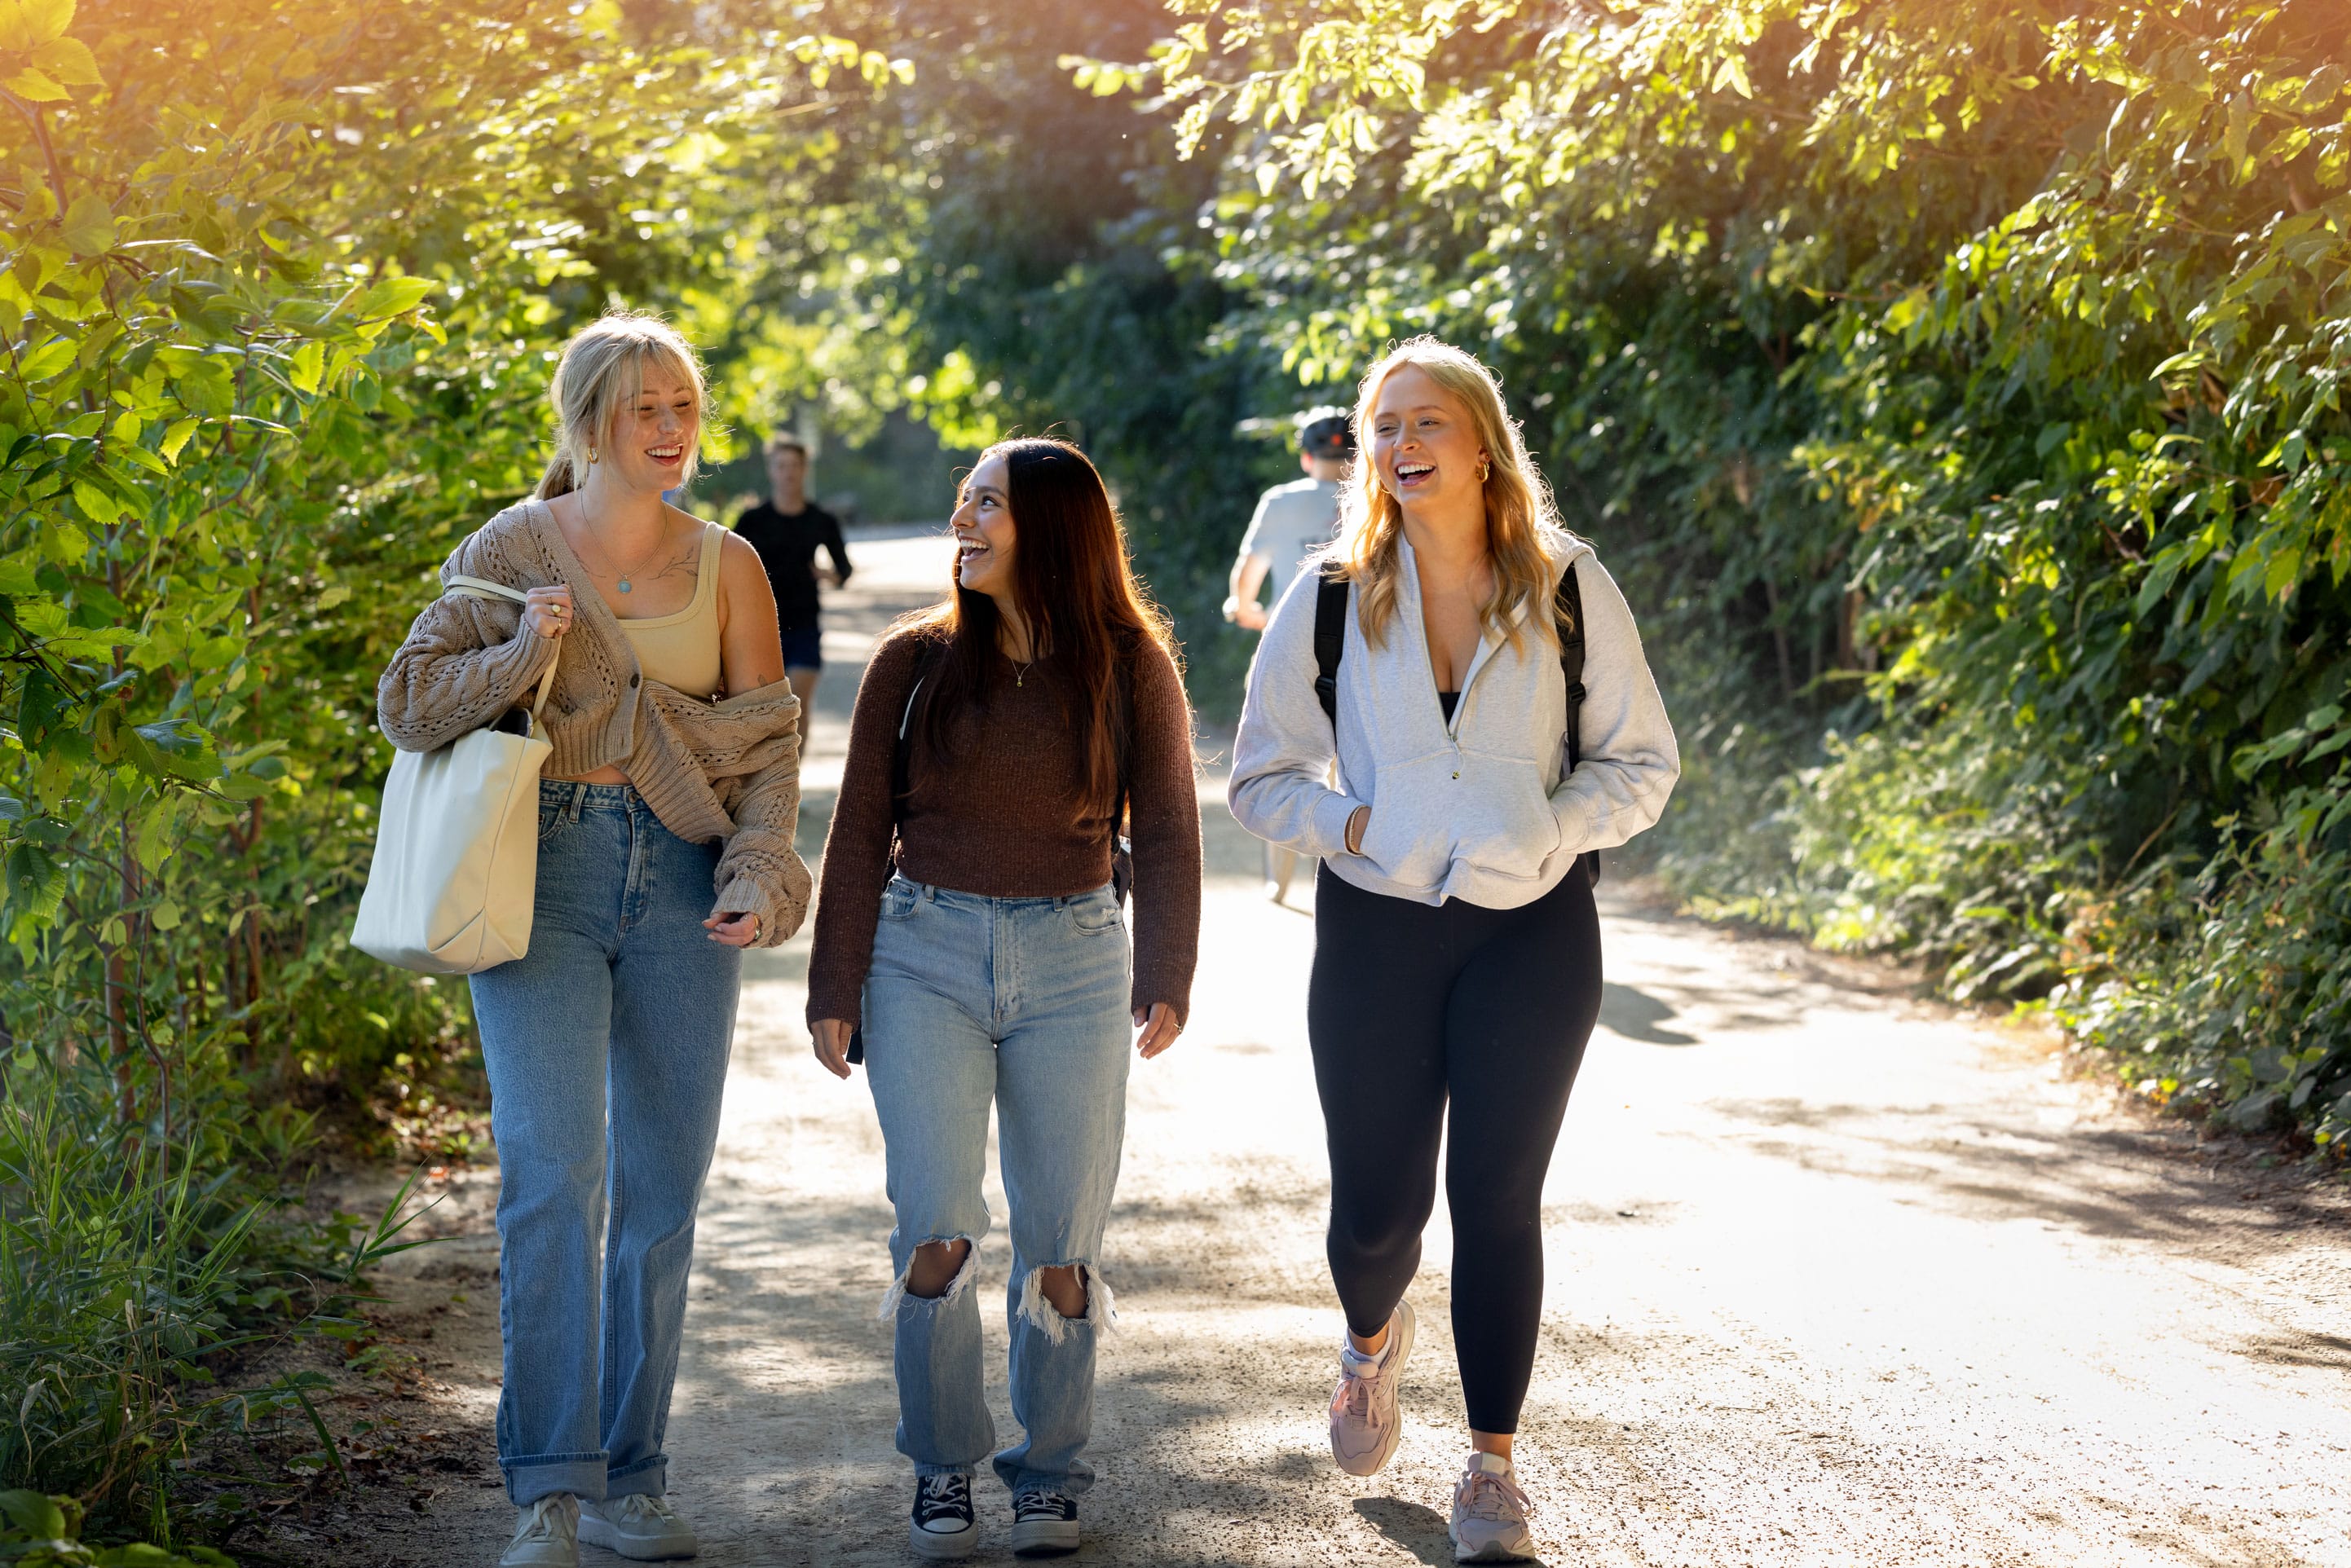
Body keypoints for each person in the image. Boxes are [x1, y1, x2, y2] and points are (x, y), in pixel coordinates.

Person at [1228, 337, 1678, 1564]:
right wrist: (1347, 822)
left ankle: (1493, 1469)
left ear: (1483, 445)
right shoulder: (1330, 591)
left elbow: (1642, 760)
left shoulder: (1567, 583)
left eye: (1425, 422)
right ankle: (1371, 1342)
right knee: (1377, 1217)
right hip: (1375, 927)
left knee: (1496, 1201)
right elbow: (1259, 775)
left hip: (1532, 932)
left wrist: (1550, 829)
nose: (1400, 446)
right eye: (1384, 427)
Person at [377, 311, 812, 1568]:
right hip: (543, 875)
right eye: (647, 410)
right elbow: (410, 705)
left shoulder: (730, 563)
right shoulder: (511, 547)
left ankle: (634, 1481)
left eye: (685, 406)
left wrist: (752, 865)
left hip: (682, 878)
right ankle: (548, 1496)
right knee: (552, 1174)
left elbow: (766, 749)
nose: (674, 432)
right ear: (589, 423)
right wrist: (529, 644)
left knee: (664, 1190)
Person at [805, 437, 1202, 1561]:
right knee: (936, 1225)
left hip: (1077, 958)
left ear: (1054, 527)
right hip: (923, 950)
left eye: (985, 505)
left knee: (1060, 1245)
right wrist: (836, 984)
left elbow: (1168, 827)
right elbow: (857, 832)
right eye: (961, 503)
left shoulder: (1132, 665)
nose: (961, 523)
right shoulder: (916, 660)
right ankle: (941, 1469)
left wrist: (1165, 969)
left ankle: (1049, 1470)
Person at [1224, 410, 1354, 904]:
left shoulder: (1279, 502)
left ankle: (1279, 881)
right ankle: (1350, 867)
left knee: (1279, 760)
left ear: (1306, 457)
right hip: (1365, 649)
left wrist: (1244, 607)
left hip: (1292, 649)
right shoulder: (1379, 496)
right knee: (1351, 761)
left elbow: (1248, 574)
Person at [731, 434, 852, 725]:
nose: (788, 472)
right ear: (771, 470)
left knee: (796, 703)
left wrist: (829, 575)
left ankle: (794, 771)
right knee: (765, 711)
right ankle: (771, 769)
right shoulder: (752, 520)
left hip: (804, 624)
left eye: (794, 465)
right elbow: (726, 566)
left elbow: (844, 571)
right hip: (759, 626)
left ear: (804, 469)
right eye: (781, 465)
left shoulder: (822, 520)